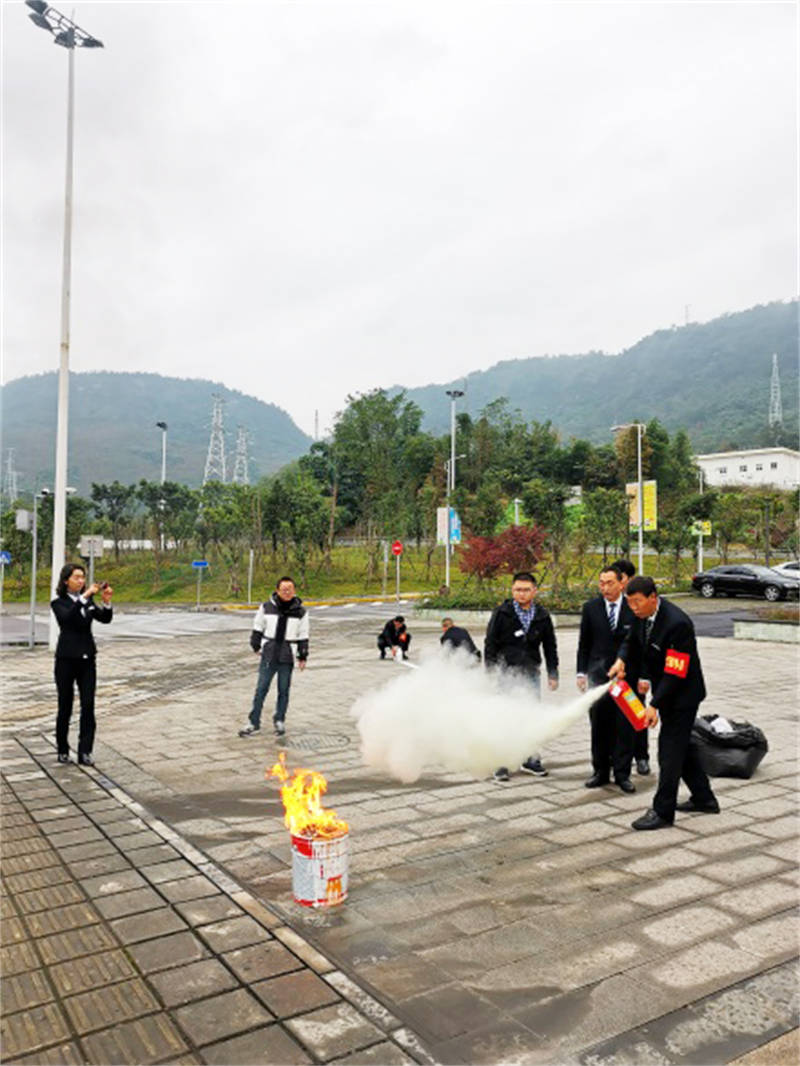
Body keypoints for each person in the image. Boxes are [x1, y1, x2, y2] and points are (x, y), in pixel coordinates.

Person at [609, 576, 719, 830]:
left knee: (669, 752)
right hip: (665, 690)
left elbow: (675, 672)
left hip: (683, 695)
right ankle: (704, 799)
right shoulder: (642, 614)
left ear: (653, 598)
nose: (633, 608)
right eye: (629, 603)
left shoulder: (677, 623)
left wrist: (654, 705)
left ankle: (662, 812)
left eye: (637, 602)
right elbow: (631, 640)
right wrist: (621, 660)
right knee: (682, 747)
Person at [484, 571, 559, 782]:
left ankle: (530, 759)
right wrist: (490, 672)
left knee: (530, 717)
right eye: (517, 590)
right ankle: (501, 762)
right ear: (512, 590)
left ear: (534, 591)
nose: (521, 594)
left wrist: (553, 673)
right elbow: (490, 644)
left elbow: (550, 646)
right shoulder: (502, 613)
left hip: (531, 674)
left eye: (526, 590)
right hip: (505, 674)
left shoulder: (542, 616)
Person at [576, 566, 637, 794]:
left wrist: (644, 676)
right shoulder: (591, 608)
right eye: (601, 583)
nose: (605, 588)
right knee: (599, 726)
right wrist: (581, 673)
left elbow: (639, 644)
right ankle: (600, 771)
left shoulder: (633, 607)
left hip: (626, 678)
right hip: (598, 677)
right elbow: (584, 643)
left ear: (622, 583)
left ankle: (622, 774)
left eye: (610, 583)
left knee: (625, 726)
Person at [51, 563, 113, 766]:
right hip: (66, 660)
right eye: (76, 577)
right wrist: (84, 596)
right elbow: (68, 619)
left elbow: (105, 619)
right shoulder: (58, 603)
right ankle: (62, 749)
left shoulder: (88, 602)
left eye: (82, 577)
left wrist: (106, 602)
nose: (81, 580)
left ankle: (85, 750)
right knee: (65, 705)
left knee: (88, 704)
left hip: (87, 660)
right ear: (66, 580)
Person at [239, 576, 308, 738]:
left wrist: (302, 655)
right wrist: (256, 645)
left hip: (287, 655)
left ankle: (279, 720)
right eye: (284, 589)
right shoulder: (266, 607)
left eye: (290, 589)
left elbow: (303, 634)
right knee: (261, 689)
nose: (287, 592)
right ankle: (253, 722)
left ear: (294, 591)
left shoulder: (300, 612)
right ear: (277, 590)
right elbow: (258, 627)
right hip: (269, 654)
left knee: (284, 690)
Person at [613, 558, 650, 775]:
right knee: (616, 720)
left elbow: (644, 645)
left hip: (634, 673)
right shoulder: (601, 604)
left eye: (620, 578)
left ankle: (641, 756)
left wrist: (645, 675)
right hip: (613, 671)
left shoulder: (638, 606)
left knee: (637, 714)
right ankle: (617, 758)